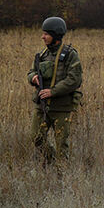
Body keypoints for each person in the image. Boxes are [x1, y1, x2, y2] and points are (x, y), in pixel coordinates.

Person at [27, 16, 83, 163]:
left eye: (46, 34)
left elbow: (75, 80)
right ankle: (50, 160)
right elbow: (31, 72)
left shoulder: (70, 55)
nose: (42, 37)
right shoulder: (42, 55)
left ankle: (61, 171)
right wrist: (33, 78)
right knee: (36, 137)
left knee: (61, 144)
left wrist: (53, 91)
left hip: (62, 106)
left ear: (56, 35)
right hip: (41, 105)